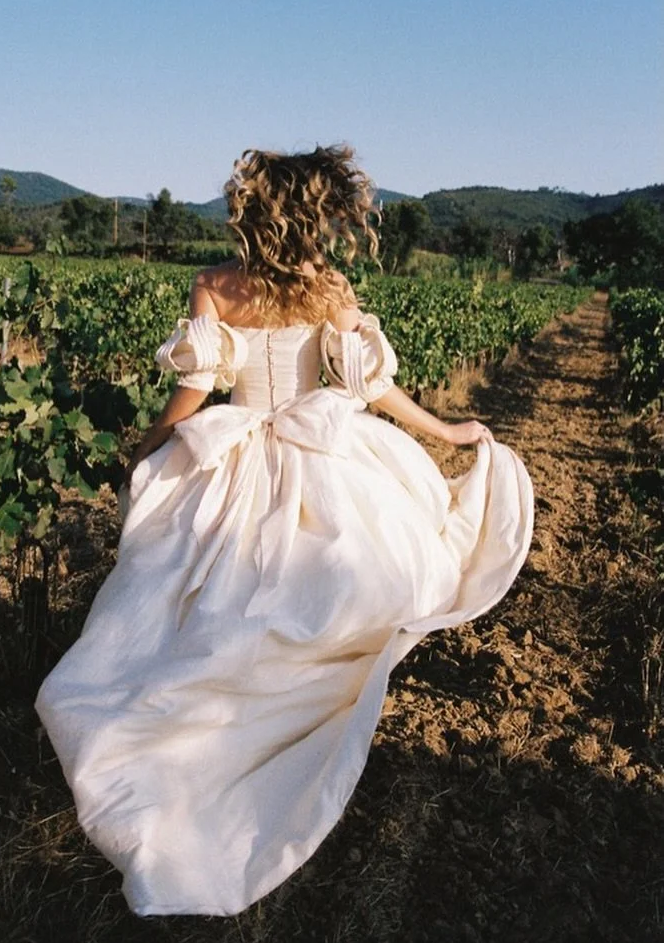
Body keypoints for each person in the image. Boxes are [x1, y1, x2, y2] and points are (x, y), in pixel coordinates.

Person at [35, 145, 534, 918]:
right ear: (315, 214)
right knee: (337, 574)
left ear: (250, 211)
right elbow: (374, 389)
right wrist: (445, 430)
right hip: (314, 448)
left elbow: (195, 391)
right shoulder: (326, 287)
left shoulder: (213, 284)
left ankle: (187, 717)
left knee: (201, 591)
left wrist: (146, 446)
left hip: (235, 451)